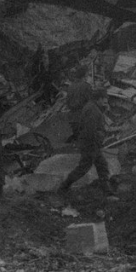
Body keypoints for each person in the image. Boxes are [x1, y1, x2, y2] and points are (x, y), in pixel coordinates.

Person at [58, 68, 114, 196]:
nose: (106, 101)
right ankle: (64, 187)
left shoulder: (71, 87)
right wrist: (97, 141)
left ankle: (107, 190)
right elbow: (90, 130)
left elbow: (68, 103)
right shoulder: (92, 107)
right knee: (84, 167)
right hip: (90, 141)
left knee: (101, 164)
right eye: (104, 99)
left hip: (74, 119)